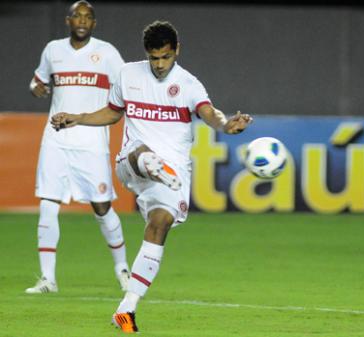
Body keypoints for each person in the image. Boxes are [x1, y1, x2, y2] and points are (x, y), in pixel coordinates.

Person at [51, 21, 252, 333]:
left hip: (172, 174)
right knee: (140, 151)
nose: (160, 64)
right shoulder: (129, 74)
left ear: (177, 51)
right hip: (133, 163)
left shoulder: (188, 85)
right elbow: (113, 112)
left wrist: (226, 126)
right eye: (154, 57)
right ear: (147, 54)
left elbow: (209, 113)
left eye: (166, 57)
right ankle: (152, 163)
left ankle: (126, 309)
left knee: (158, 227)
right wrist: (77, 118)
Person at [26, 0, 129, 294]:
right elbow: (37, 83)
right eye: (77, 16)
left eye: (88, 17)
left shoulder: (107, 53)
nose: (82, 20)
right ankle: (48, 279)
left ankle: (122, 269)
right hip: (56, 138)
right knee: (48, 203)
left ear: (94, 23)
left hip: (91, 141)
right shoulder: (53, 50)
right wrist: (38, 89)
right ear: (67, 20)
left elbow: (126, 86)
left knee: (101, 206)